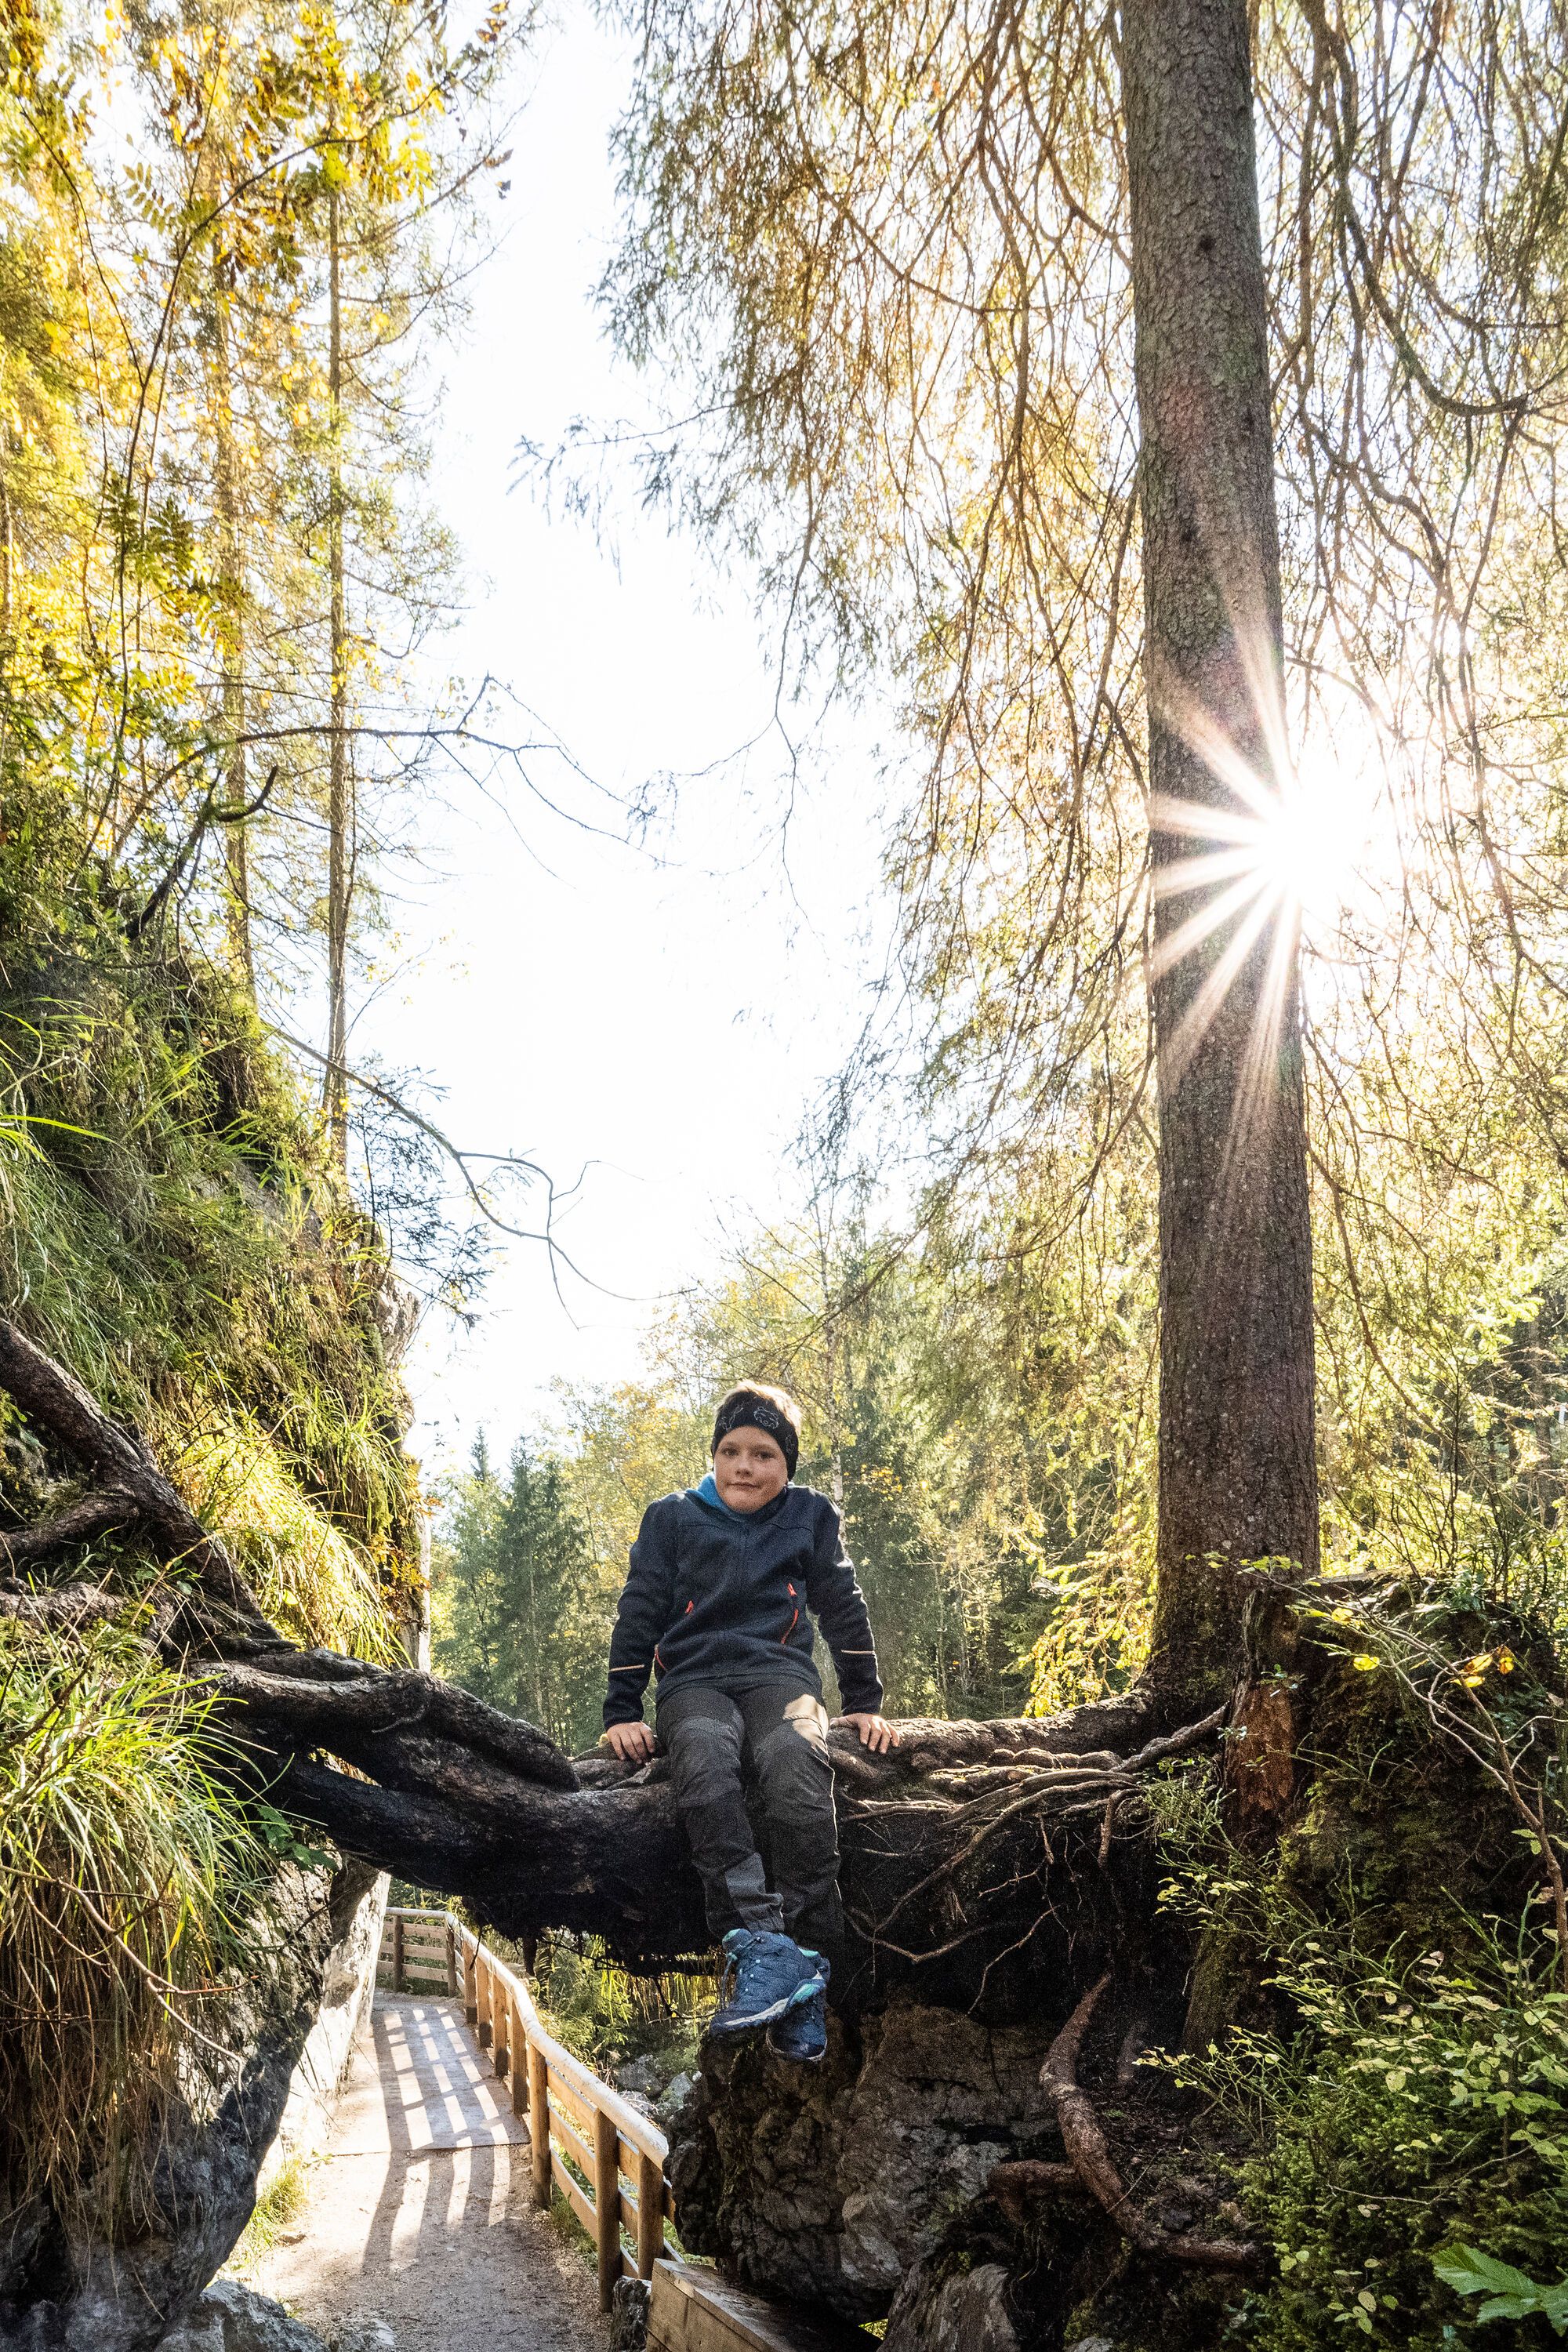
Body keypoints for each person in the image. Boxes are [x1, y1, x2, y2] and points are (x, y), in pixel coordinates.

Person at [601, 1381, 897, 2062]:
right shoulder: (671, 1517)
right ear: (713, 1455)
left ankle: (809, 1969)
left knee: (795, 1765)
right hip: (694, 1682)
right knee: (704, 1766)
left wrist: (865, 1701)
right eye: (730, 1450)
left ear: (786, 1464)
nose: (744, 1466)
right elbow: (639, 1612)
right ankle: (761, 1946)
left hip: (781, 1680)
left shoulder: (810, 1516)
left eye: (763, 1453)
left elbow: (842, 1608)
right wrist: (621, 1711)